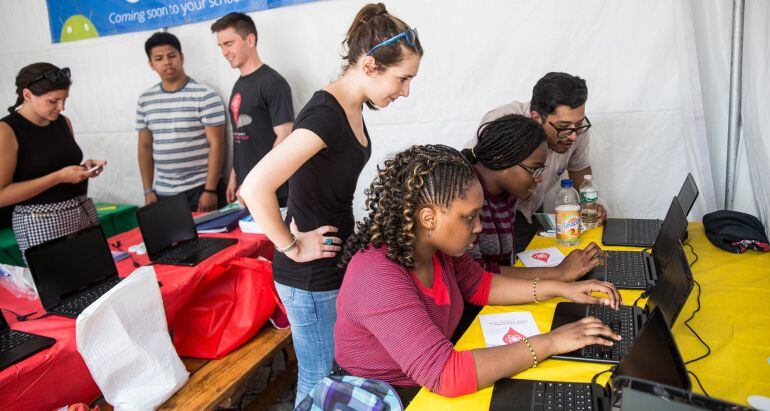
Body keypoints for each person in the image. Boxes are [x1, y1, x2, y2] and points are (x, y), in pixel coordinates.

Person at [335, 144, 621, 403]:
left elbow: (482, 286)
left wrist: (559, 287)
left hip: (426, 380)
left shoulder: (438, 249)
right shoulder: (376, 276)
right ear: (428, 218)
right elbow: (446, 375)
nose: (479, 227)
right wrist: (551, 341)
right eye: (469, 217)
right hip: (390, 395)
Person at [239, 3, 423, 405]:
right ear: (371, 65)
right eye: (402, 79)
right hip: (308, 277)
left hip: (330, 265)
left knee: (334, 378)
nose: (405, 91)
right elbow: (254, 187)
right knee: (319, 382)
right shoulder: (325, 113)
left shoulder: (352, 105)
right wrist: (290, 244)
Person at [470, 73, 606, 253]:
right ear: (536, 118)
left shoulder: (576, 130)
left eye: (579, 124)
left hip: (529, 206)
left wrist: (590, 205)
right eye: (563, 126)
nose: (573, 135)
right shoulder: (503, 126)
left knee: (525, 260)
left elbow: (579, 168)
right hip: (488, 212)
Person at [462, 114, 605, 281]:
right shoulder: (465, 196)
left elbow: (501, 265)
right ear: (501, 160)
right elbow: (474, 274)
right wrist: (559, 273)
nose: (539, 179)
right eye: (534, 169)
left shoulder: (507, 193)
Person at [0, 63, 105, 262]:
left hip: (81, 212)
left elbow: (60, 166)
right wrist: (57, 177)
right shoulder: (6, 130)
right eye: (53, 101)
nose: (61, 107)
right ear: (27, 95)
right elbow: (2, 195)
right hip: (39, 221)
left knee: (98, 280)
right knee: (62, 287)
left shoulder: (63, 122)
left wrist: (83, 170)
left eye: (64, 100)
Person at [136, 32, 227, 212]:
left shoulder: (205, 95)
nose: (167, 62)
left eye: (172, 56)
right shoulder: (145, 99)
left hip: (200, 188)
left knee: (211, 239)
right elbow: (144, 147)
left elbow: (217, 144)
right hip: (163, 193)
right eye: (159, 58)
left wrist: (210, 189)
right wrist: (148, 190)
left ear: (181, 57)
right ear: (151, 64)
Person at [211, 12, 294, 206]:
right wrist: (234, 174)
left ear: (250, 39)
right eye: (221, 46)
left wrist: (253, 181)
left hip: (272, 191)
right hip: (247, 190)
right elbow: (242, 136)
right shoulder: (239, 84)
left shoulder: (273, 83)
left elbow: (285, 136)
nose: (224, 52)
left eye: (229, 44)